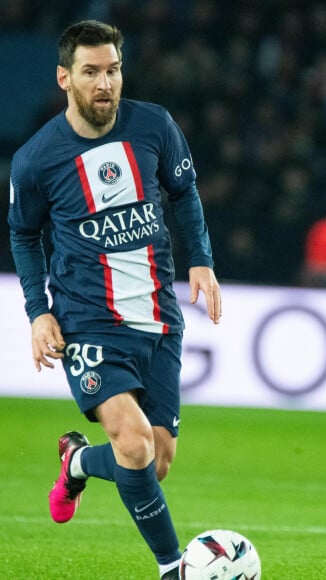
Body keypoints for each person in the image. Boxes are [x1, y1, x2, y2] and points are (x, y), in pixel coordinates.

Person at [8, 21, 222, 579]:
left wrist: (201, 258)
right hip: (87, 320)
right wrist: (38, 312)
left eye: (113, 69)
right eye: (91, 72)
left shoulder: (154, 125)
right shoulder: (37, 159)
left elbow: (184, 192)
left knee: (157, 458)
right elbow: (23, 235)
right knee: (132, 445)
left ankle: (76, 461)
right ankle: (172, 566)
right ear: (64, 78)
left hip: (157, 315)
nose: (105, 83)